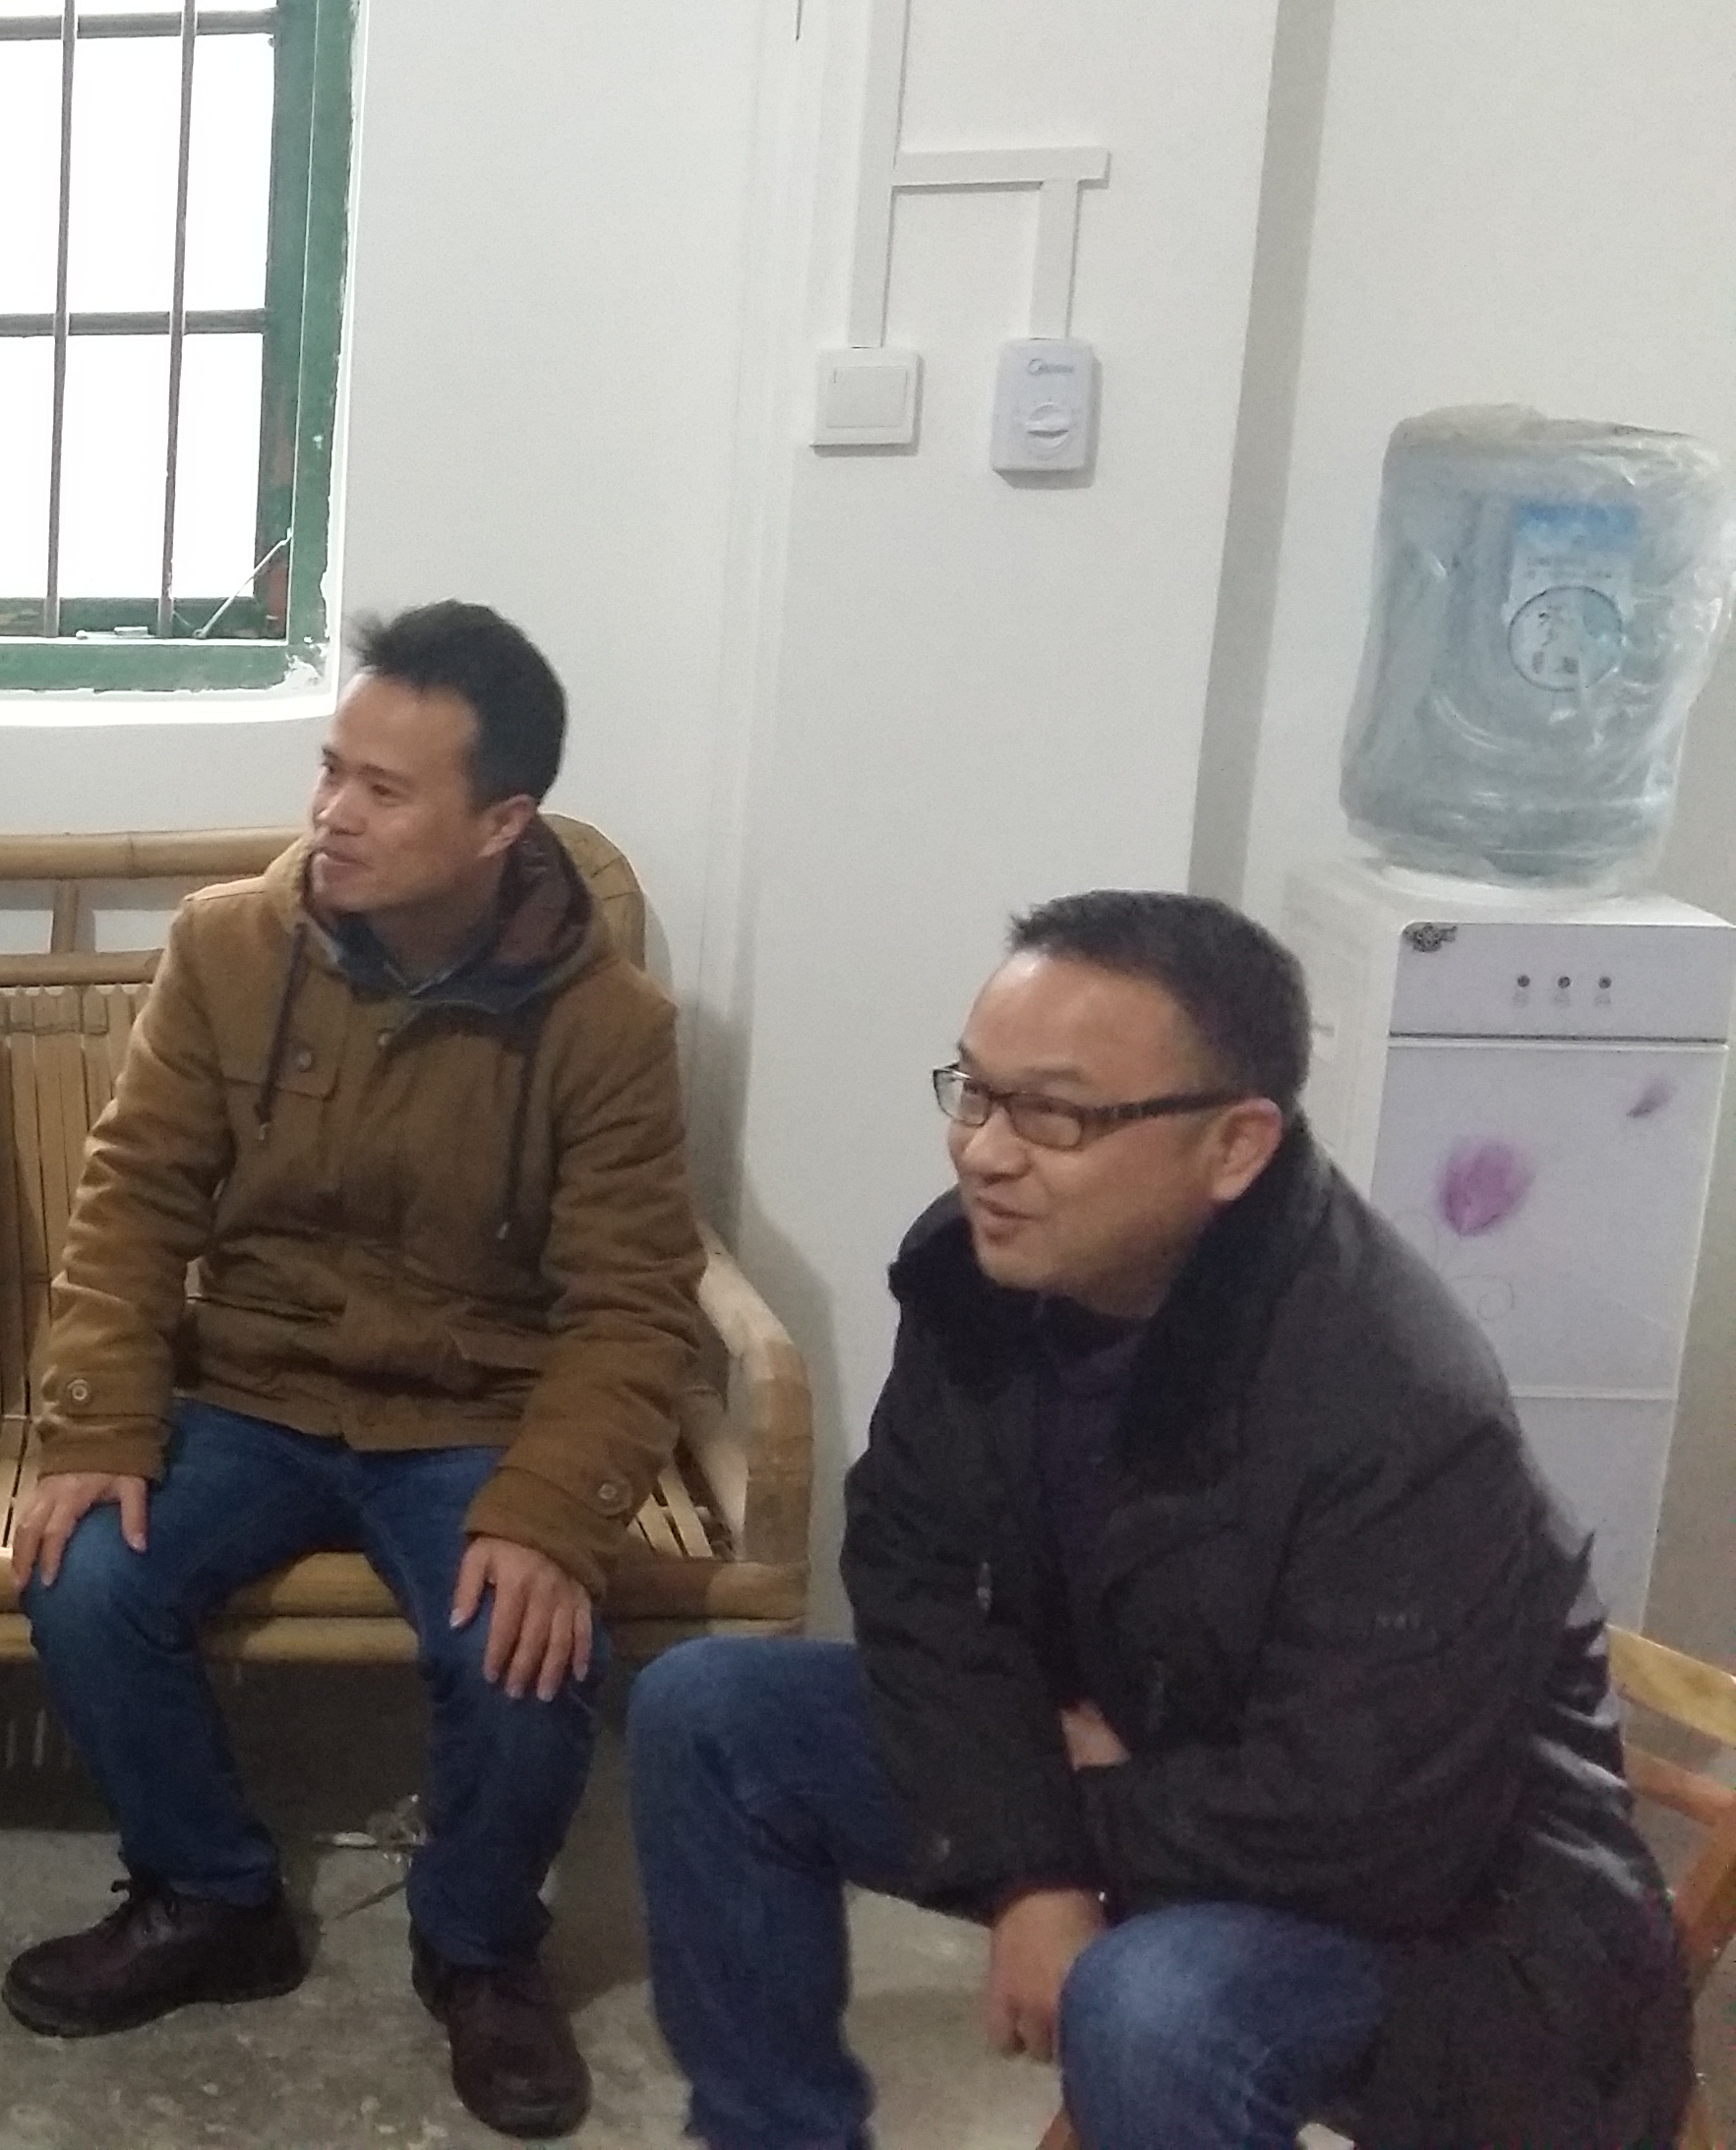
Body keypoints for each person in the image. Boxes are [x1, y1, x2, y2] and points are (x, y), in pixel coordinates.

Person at [629, 890, 1692, 2150]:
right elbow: (916, 1574)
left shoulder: (1394, 1400)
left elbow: (1371, 1829)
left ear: (1234, 1147)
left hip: (1457, 1917)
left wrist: (1084, 1818)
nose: (984, 1153)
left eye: (1056, 1114)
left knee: (1151, 2005)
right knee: (713, 1712)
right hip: (1158, 1779)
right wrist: (1033, 1868)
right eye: (974, 1092)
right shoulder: (981, 1272)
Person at [2, 601, 702, 2140]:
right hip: (249, 1389)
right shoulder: (229, 945)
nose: (333, 812)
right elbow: (132, 1202)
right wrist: (100, 1423)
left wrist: (550, 1510)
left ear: (500, 822)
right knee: (83, 1572)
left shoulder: (608, 1023)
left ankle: (479, 1946)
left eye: (385, 789)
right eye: (332, 769)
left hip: (470, 1410)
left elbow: (634, 1303)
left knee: (526, 1638)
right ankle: (211, 1894)